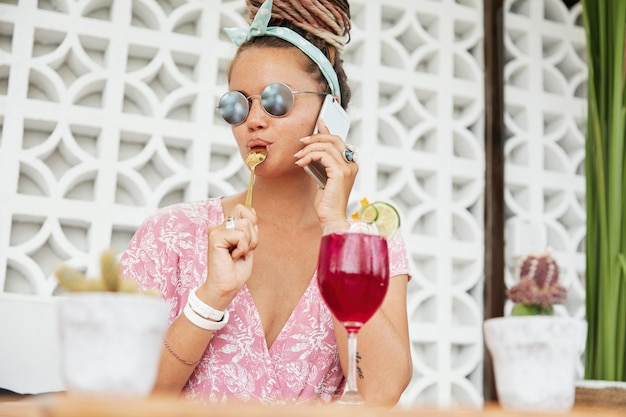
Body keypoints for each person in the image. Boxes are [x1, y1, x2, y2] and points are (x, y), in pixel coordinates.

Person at [120, 0, 412, 406]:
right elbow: (123, 397)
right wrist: (211, 297)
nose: (254, 119)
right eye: (237, 105)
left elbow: (381, 392)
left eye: (276, 100)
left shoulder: (371, 242)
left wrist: (336, 229)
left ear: (330, 111)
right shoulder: (170, 234)